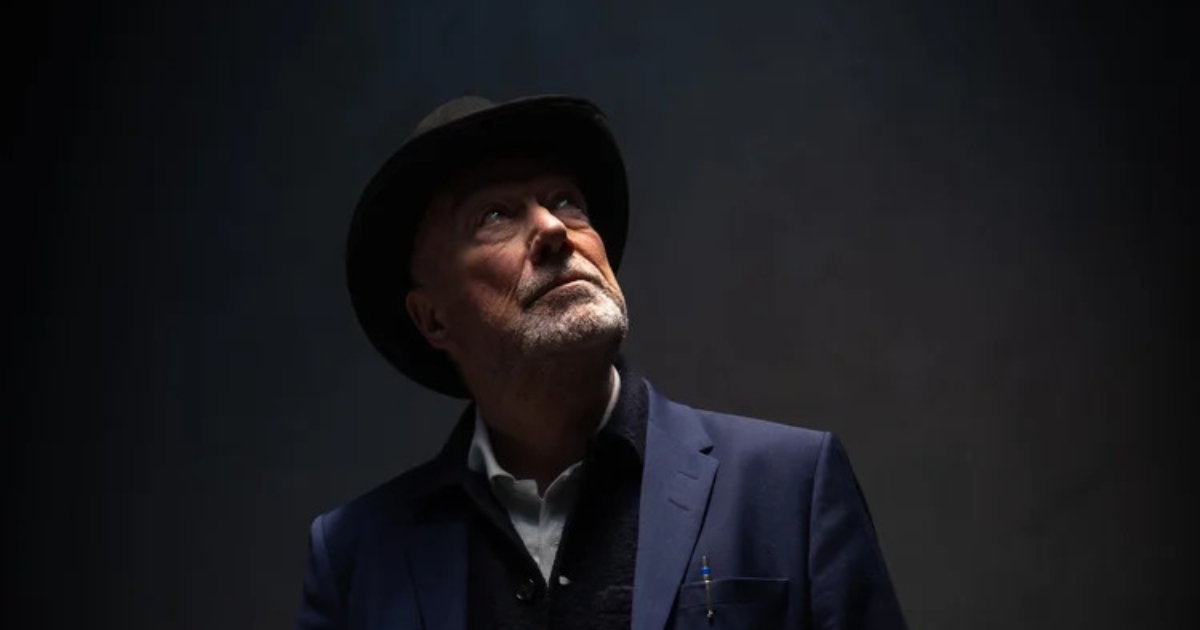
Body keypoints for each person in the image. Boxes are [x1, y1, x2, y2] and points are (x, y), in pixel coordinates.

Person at [296, 95, 908, 630]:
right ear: (432, 319)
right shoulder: (353, 556)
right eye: (494, 215)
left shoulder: (790, 487)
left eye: (566, 200)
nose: (553, 229)